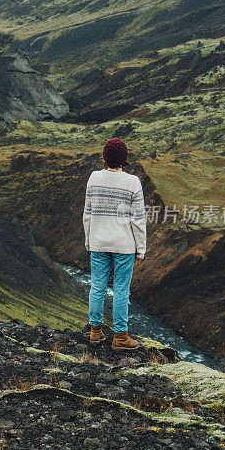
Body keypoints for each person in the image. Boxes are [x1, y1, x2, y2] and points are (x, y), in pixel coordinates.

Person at [83, 137, 146, 349]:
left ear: (104, 157)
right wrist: (141, 248)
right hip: (124, 246)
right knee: (121, 290)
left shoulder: (93, 178)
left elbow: (87, 214)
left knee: (97, 287)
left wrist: (88, 240)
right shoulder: (132, 182)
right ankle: (120, 337)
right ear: (124, 158)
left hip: (98, 242)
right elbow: (138, 220)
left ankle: (95, 332)